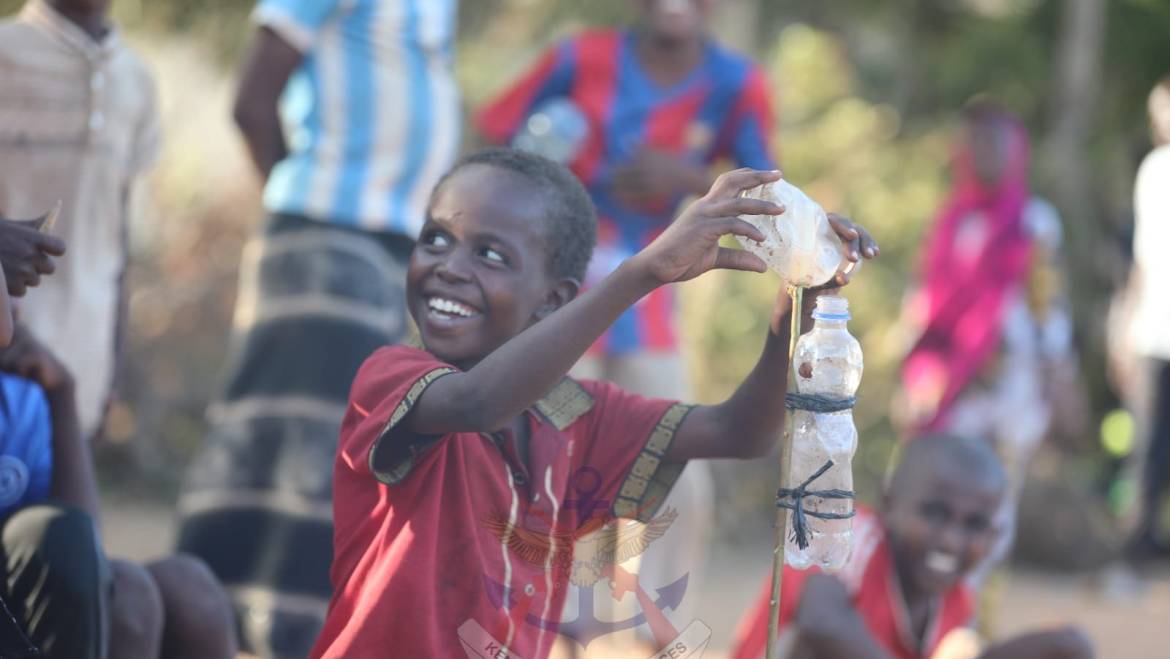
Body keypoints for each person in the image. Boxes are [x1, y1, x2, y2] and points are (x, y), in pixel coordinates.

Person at [307, 150, 876, 658]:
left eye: (490, 255)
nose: (449, 267)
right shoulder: (391, 378)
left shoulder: (577, 414)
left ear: (553, 299)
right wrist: (644, 272)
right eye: (436, 238)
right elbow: (476, 402)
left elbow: (739, 432)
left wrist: (797, 304)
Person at [476, 0, 777, 636]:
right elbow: (496, 142)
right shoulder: (579, 55)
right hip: (556, 287)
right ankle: (533, 616)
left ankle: (651, 633)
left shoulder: (737, 83)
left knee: (680, 458)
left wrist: (691, 176)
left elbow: (770, 194)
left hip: (652, 291)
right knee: (541, 448)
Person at [174, 0, 461, 655]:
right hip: (325, 231)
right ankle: (222, 615)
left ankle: (291, 622)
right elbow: (253, 98)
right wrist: (307, 206)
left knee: (339, 435)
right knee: (295, 434)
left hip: (390, 240)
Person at [894, 103, 1081, 582]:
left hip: (1010, 384)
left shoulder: (1034, 222)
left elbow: (1048, 305)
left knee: (994, 510)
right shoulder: (953, 219)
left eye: (996, 143)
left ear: (1016, 151)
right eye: (975, 143)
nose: (985, 154)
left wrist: (1056, 375)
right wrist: (916, 371)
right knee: (943, 495)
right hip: (953, 383)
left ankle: (973, 624)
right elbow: (927, 297)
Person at [730, 435, 1093, 659]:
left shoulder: (957, 598)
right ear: (889, 504)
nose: (951, 540)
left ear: (994, 536)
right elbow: (821, 622)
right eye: (934, 513)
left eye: (974, 524)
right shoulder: (848, 538)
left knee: (1068, 646)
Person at [0, 320, 239, 659]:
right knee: (128, 596)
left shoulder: (23, 393)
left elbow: (81, 544)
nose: (44, 265)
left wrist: (62, 394)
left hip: (29, 584)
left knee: (188, 587)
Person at [0, 0, 160, 440]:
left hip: (81, 369)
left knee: (62, 508)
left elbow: (119, 240)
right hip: (8, 351)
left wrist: (113, 368)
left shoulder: (137, 81)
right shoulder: (5, 52)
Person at [1122, 77, 1170, 564]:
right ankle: (1139, 538)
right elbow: (1141, 257)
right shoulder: (1154, 169)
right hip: (1156, 329)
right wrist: (1126, 322)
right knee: (1148, 441)